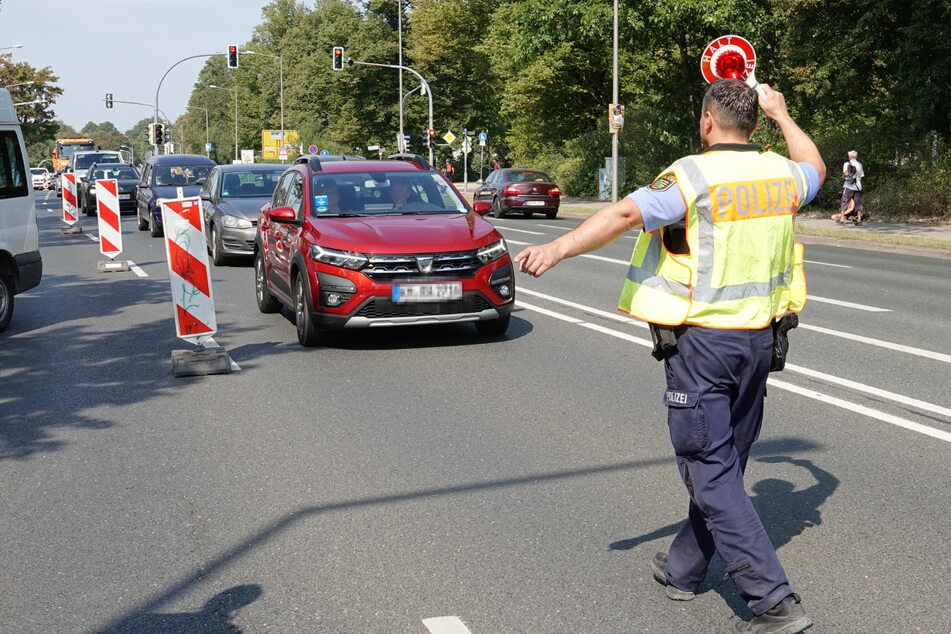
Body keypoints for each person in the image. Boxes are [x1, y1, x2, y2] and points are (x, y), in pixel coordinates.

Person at [514, 79, 825, 634]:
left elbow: (624, 217)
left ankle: (773, 601)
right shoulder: (781, 174)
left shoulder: (692, 176)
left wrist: (557, 247)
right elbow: (816, 166)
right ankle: (684, 568)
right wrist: (782, 113)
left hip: (704, 345)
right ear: (755, 122)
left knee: (709, 468)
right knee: (725, 462)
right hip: (759, 342)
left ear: (708, 121)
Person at [832, 150, 865, 225]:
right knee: (858, 203)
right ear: (856, 156)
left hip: (849, 185)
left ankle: (842, 219)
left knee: (845, 201)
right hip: (858, 186)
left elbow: (846, 174)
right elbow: (862, 176)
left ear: (849, 156)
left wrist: (843, 176)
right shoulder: (860, 164)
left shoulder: (847, 164)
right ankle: (859, 220)